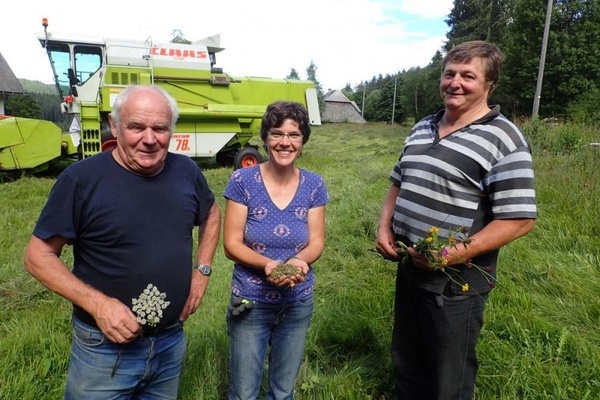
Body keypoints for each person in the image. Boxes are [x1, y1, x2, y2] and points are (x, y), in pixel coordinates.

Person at [24, 84, 221, 399]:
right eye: (136, 127)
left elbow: (211, 213)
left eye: (160, 128)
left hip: (170, 342)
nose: (149, 138)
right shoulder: (81, 180)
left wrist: (202, 272)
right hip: (103, 350)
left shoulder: (186, 171)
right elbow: (38, 256)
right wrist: (98, 305)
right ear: (114, 126)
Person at [375, 40, 537, 400]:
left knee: (449, 374)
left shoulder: (504, 138)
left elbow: (520, 218)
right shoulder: (422, 127)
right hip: (409, 265)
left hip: (455, 282)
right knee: (408, 356)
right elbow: (398, 181)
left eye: (468, 75)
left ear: (489, 85)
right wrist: (384, 225)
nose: (456, 83)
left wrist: (455, 254)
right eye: (450, 74)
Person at [223, 101, 329, 400]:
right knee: (243, 392)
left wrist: (297, 261)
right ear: (266, 139)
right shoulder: (242, 180)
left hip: (297, 301)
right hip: (249, 300)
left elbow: (317, 241)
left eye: (294, 135)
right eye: (277, 133)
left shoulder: (314, 185)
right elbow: (231, 244)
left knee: (283, 391)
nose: (285, 142)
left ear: (303, 139)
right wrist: (269, 265)